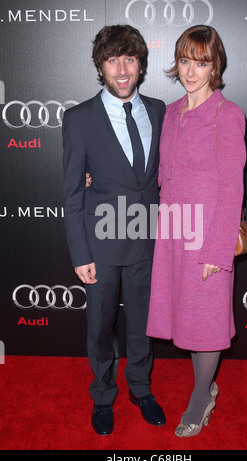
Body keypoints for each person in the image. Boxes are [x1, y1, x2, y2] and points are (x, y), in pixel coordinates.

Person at [62, 24, 166, 436]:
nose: (122, 70)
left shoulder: (160, 110)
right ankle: (103, 396)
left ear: (141, 65)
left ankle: (141, 389)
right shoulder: (79, 118)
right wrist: (79, 254)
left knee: (142, 325)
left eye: (129, 59)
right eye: (112, 60)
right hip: (100, 245)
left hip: (148, 241)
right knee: (100, 329)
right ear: (100, 67)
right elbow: (71, 192)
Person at [146, 25, 247, 437]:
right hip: (173, 233)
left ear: (214, 65)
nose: (191, 71)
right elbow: (161, 176)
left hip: (207, 235)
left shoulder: (228, 114)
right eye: (185, 61)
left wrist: (217, 250)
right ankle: (206, 385)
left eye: (201, 62)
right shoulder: (170, 112)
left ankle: (201, 396)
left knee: (205, 323)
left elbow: (232, 187)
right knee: (185, 316)